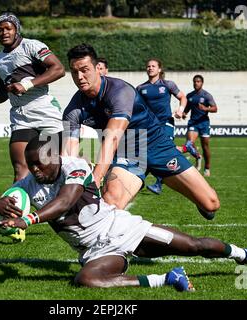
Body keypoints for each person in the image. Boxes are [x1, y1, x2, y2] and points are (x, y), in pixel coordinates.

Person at [0, 136, 247, 290]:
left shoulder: (73, 165)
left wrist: (28, 219)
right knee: (85, 280)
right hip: (94, 250)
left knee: (194, 246)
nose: (35, 171)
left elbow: (65, 199)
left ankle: (244, 254)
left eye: (40, 164)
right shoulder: (30, 184)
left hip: (121, 229)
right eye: (31, 165)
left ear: (53, 156)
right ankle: (167, 278)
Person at [62, 44, 219, 220]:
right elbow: (68, 154)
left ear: (98, 68)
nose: (80, 77)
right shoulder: (73, 108)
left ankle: (195, 195)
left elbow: (112, 139)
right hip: (128, 153)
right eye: (74, 72)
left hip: (157, 145)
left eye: (85, 70)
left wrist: (95, 180)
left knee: (211, 204)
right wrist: (67, 181)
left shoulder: (119, 91)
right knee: (110, 203)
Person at [0, 12, 65, 182]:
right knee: (21, 169)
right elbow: (3, 89)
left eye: (8, 28)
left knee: (54, 167)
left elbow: (58, 69)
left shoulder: (32, 46)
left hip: (45, 110)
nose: (4, 32)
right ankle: (16, 208)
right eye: (0, 30)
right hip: (21, 117)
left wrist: (27, 84)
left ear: (16, 29)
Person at [137, 58, 201, 195]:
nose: (150, 68)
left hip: (166, 121)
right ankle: (186, 147)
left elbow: (183, 97)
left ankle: (157, 184)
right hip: (150, 126)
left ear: (159, 69)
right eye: (148, 66)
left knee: (163, 152)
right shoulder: (141, 88)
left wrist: (180, 110)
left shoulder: (167, 84)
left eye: (153, 66)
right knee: (149, 151)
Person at [183, 75, 218, 177]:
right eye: (194, 82)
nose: (196, 83)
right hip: (193, 123)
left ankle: (207, 168)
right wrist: (184, 113)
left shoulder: (207, 95)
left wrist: (205, 109)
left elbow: (215, 108)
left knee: (205, 146)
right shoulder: (190, 96)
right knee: (190, 143)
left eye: (198, 82)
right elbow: (187, 109)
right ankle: (198, 156)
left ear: (202, 83)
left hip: (204, 123)